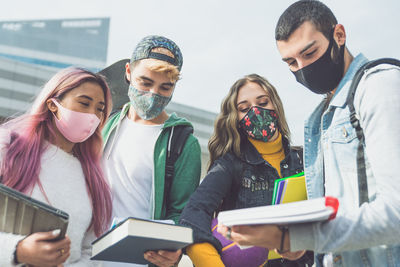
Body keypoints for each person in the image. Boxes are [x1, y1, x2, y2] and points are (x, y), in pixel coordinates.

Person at [218, 1, 400, 266]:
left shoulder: (379, 87)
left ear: (339, 35)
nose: (302, 67)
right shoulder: (319, 118)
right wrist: (301, 245)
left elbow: (396, 211)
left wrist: (296, 237)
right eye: (291, 62)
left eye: (310, 52)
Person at [179, 74, 314, 267]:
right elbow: (193, 214)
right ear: (236, 119)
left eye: (263, 102)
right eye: (244, 108)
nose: (256, 111)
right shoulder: (230, 165)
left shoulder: (306, 159)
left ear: (275, 105)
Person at [102, 35, 201, 267]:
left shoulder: (183, 143)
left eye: (165, 87)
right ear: (128, 72)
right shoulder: (104, 122)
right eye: (145, 83)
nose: (153, 94)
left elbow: (182, 213)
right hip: (88, 257)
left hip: (139, 261)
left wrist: (175, 250)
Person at [0, 67, 113, 267]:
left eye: (99, 109)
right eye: (84, 103)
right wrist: (18, 250)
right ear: (53, 104)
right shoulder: (7, 147)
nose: (92, 116)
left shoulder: (93, 177)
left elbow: (91, 251)